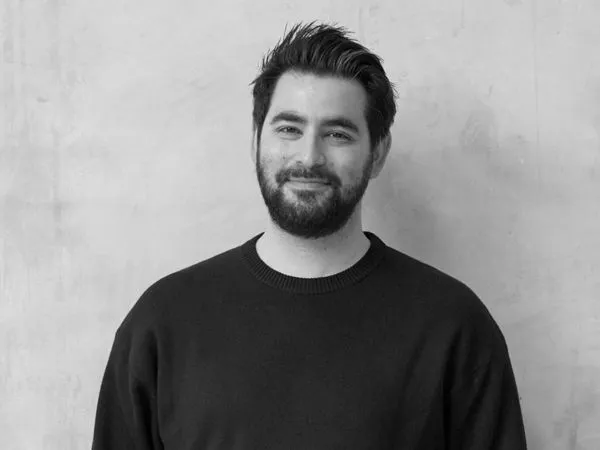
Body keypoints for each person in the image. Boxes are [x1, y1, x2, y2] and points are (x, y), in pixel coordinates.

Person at [92, 22, 528, 449]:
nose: (309, 157)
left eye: (337, 134)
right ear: (255, 141)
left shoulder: (453, 326)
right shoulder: (163, 323)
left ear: (378, 153)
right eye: (289, 129)